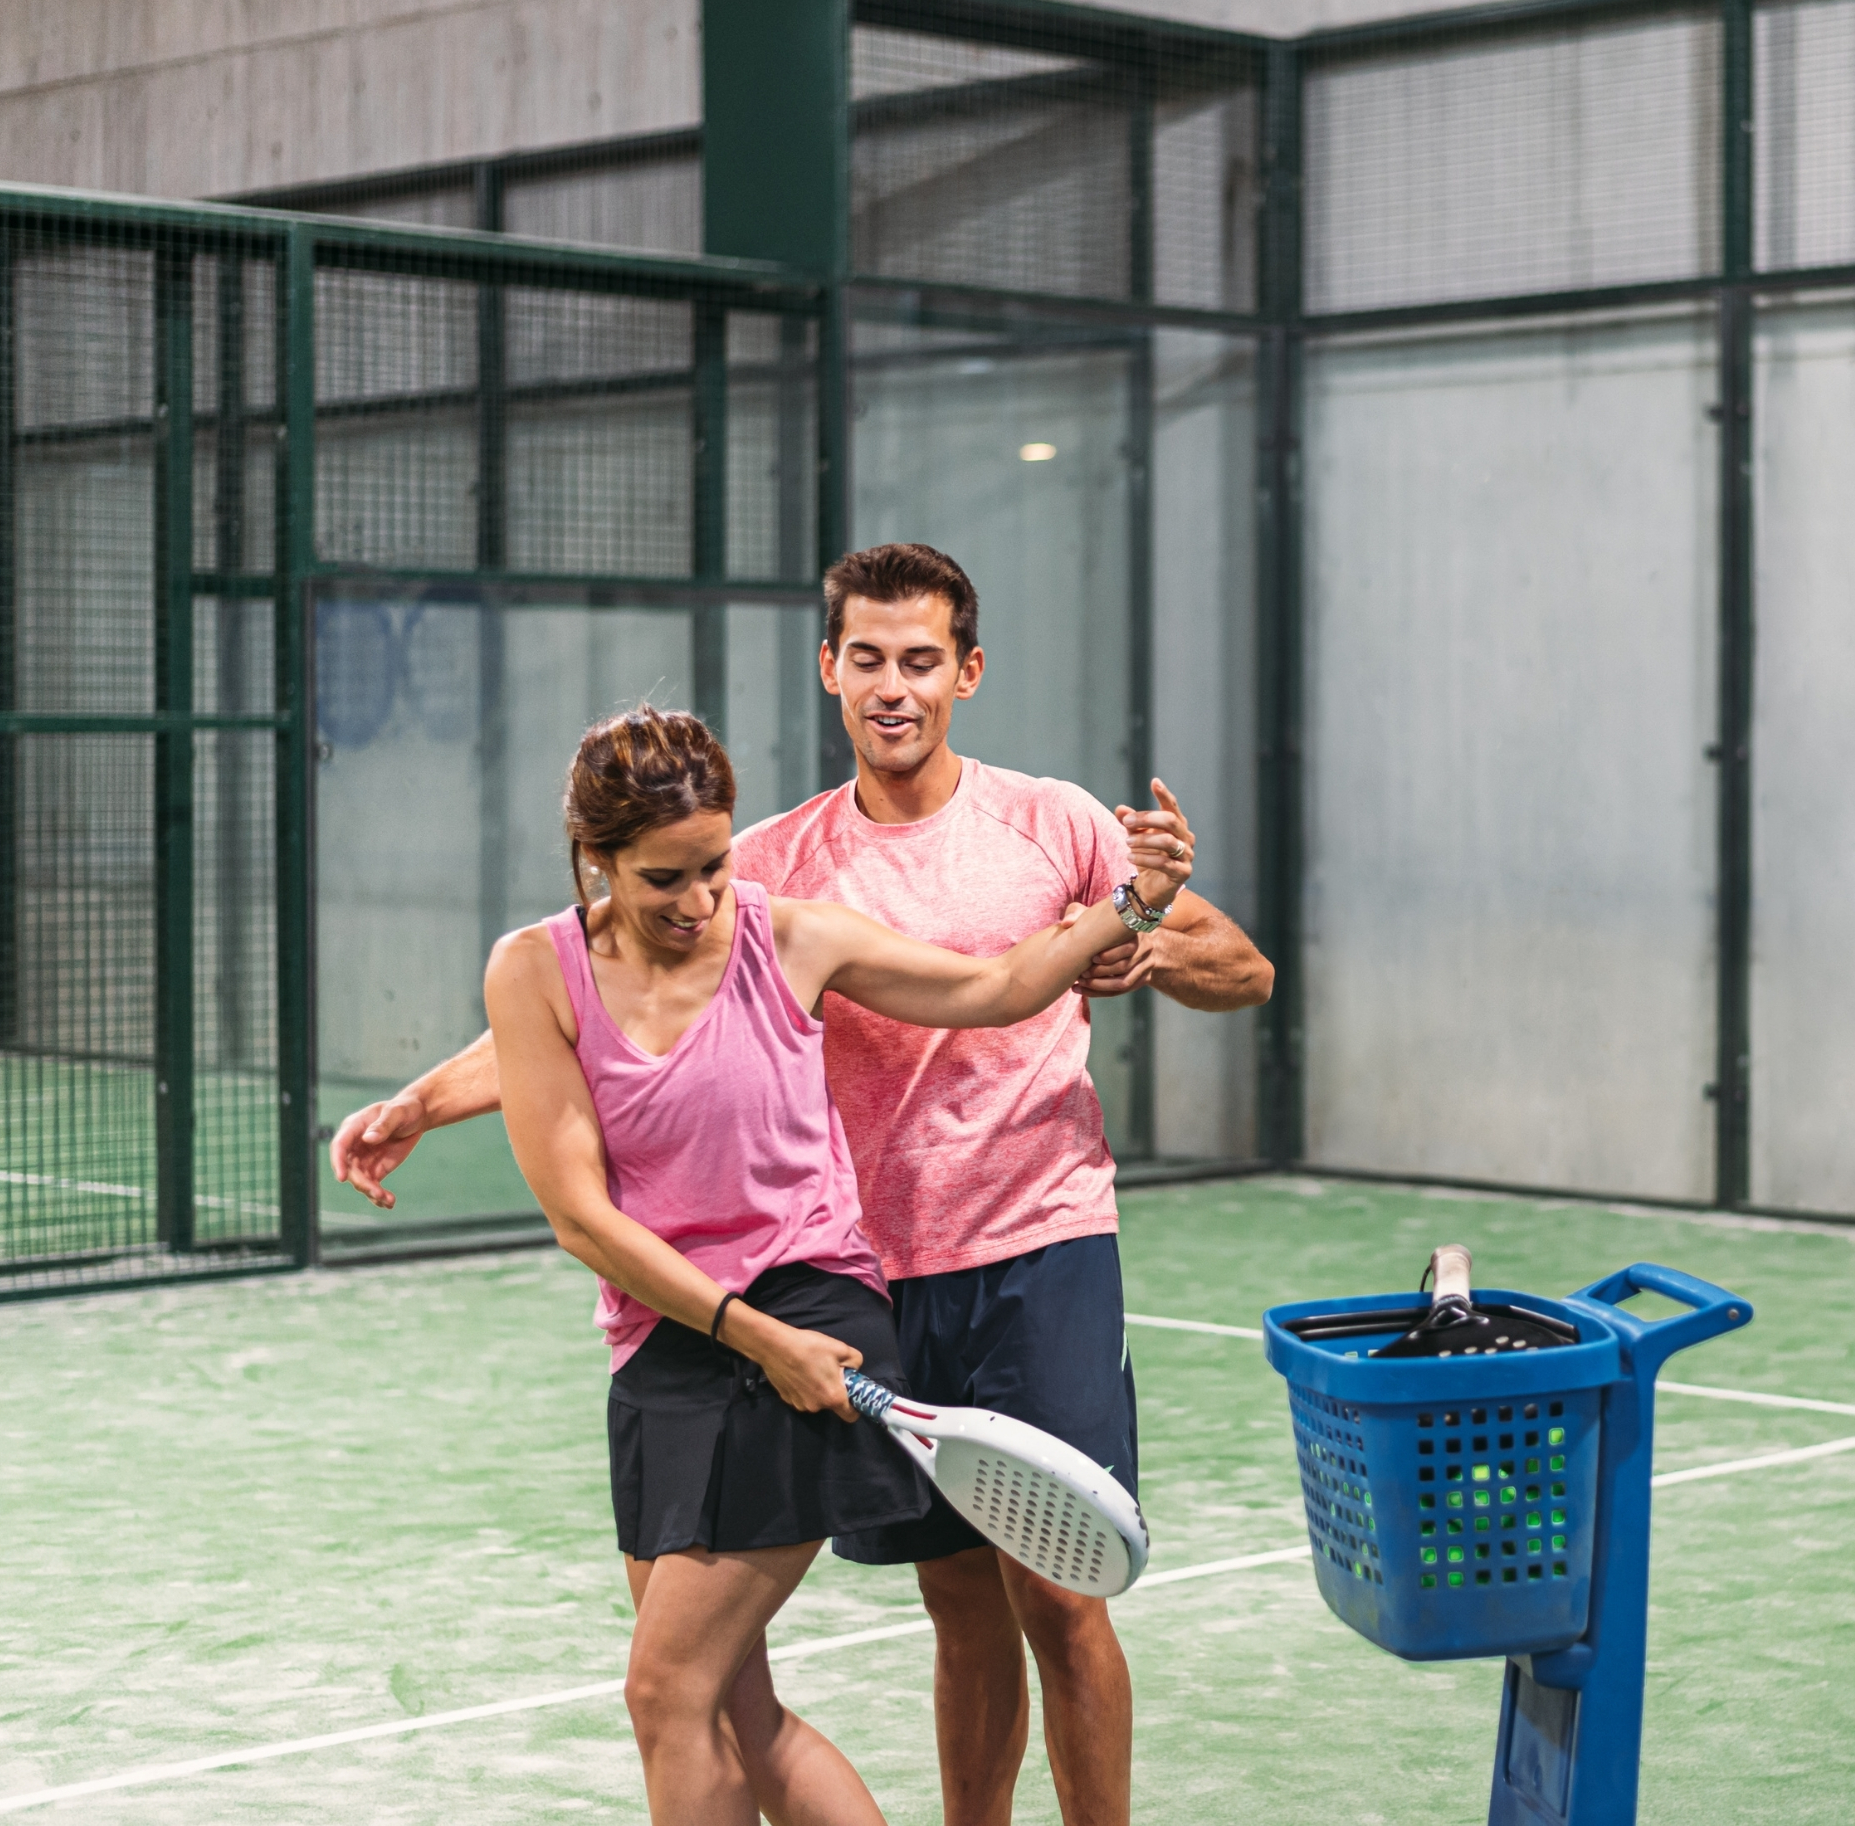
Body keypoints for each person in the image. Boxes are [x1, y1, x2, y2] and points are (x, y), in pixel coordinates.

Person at [333, 544, 1275, 1826]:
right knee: (956, 1598)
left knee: (1058, 1592)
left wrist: (1137, 935)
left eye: (922, 659)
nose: (895, 686)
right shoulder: (757, 863)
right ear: (830, 669)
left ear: (966, 670)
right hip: (878, 1256)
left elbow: (1237, 968)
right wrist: (423, 1101)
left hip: (1036, 1236)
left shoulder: (1052, 820)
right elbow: (607, 1013)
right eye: (869, 658)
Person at [487, 702, 1193, 1826]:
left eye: (714, 865)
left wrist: (1128, 903)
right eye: (663, 878)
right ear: (596, 863)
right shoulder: (533, 970)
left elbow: (993, 988)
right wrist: (415, 1104)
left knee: (665, 1686)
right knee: (726, 1709)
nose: (699, 900)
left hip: (812, 1312)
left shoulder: (787, 934)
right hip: (672, 1338)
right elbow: (581, 1216)